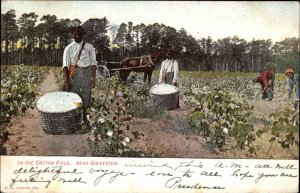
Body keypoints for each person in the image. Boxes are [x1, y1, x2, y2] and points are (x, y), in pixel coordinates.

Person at [62, 25, 97, 121]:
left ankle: (85, 118)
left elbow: (93, 64)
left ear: (83, 35)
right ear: (72, 35)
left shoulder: (89, 47)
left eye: (80, 34)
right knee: (74, 95)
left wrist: (93, 79)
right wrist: (66, 81)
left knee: (86, 95)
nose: (77, 36)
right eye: (75, 34)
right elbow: (65, 66)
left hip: (87, 72)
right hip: (75, 73)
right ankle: (75, 119)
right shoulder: (68, 48)